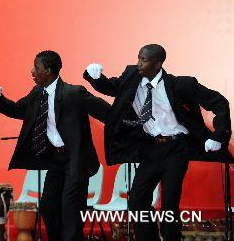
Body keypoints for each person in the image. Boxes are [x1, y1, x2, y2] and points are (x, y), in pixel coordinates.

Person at [84, 44, 231, 241]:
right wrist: (95, 77)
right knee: (137, 200)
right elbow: (112, 88)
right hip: (150, 148)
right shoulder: (132, 75)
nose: (138, 64)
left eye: (143, 60)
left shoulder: (181, 84)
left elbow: (219, 102)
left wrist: (219, 135)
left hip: (176, 147)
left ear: (158, 64)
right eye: (138, 58)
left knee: (169, 203)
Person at [0, 51, 110, 241]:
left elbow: (107, 112)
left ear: (48, 71)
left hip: (75, 160)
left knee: (70, 209)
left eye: (36, 67)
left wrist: (130, 125)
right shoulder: (38, 93)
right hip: (55, 160)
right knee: (48, 206)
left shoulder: (73, 93)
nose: (32, 71)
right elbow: (19, 110)